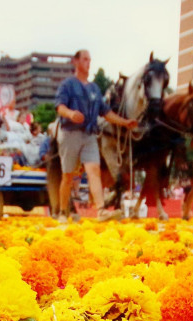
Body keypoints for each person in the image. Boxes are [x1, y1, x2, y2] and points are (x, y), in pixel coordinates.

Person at [54, 49, 139, 222]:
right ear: (75, 62)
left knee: (94, 171)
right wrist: (70, 114)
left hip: (90, 134)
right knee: (68, 175)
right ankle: (63, 211)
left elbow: (106, 112)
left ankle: (101, 210)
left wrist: (124, 122)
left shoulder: (94, 88)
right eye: (85, 59)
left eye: (89, 60)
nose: (88, 62)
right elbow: (59, 106)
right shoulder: (67, 85)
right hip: (70, 133)